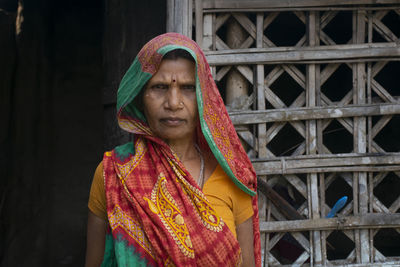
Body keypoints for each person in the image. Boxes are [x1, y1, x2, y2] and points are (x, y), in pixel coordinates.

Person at [86, 33, 261, 267]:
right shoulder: (113, 173)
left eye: (188, 88)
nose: (173, 102)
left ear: (204, 97)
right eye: (159, 87)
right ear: (139, 96)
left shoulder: (232, 176)